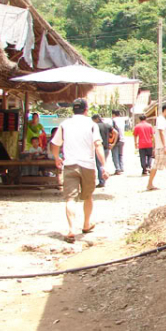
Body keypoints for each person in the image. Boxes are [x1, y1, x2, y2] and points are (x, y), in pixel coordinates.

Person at [50, 98, 108, 244]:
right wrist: (104, 165)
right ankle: (86, 224)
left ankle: (71, 230)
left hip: (69, 165)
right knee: (87, 196)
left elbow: (55, 143)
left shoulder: (64, 125)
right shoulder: (91, 124)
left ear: (72, 110)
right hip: (87, 165)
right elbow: (98, 145)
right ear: (86, 110)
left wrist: (57, 158)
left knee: (70, 199)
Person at [92, 114, 112, 189]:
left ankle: (102, 181)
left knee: (99, 165)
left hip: (99, 147)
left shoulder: (95, 126)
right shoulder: (107, 125)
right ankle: (103, 179)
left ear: (96, 119)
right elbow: (115, 132)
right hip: (107, 147)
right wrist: (112, 142)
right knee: (103, 163)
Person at [111, 110, 127, 175]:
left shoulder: (113, 120)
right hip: (122, 139)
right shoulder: (122, 120)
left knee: (115, 155)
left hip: (115, 140)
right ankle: (121, 167)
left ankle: (117, 169)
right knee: (120, 154)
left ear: (113, 114)